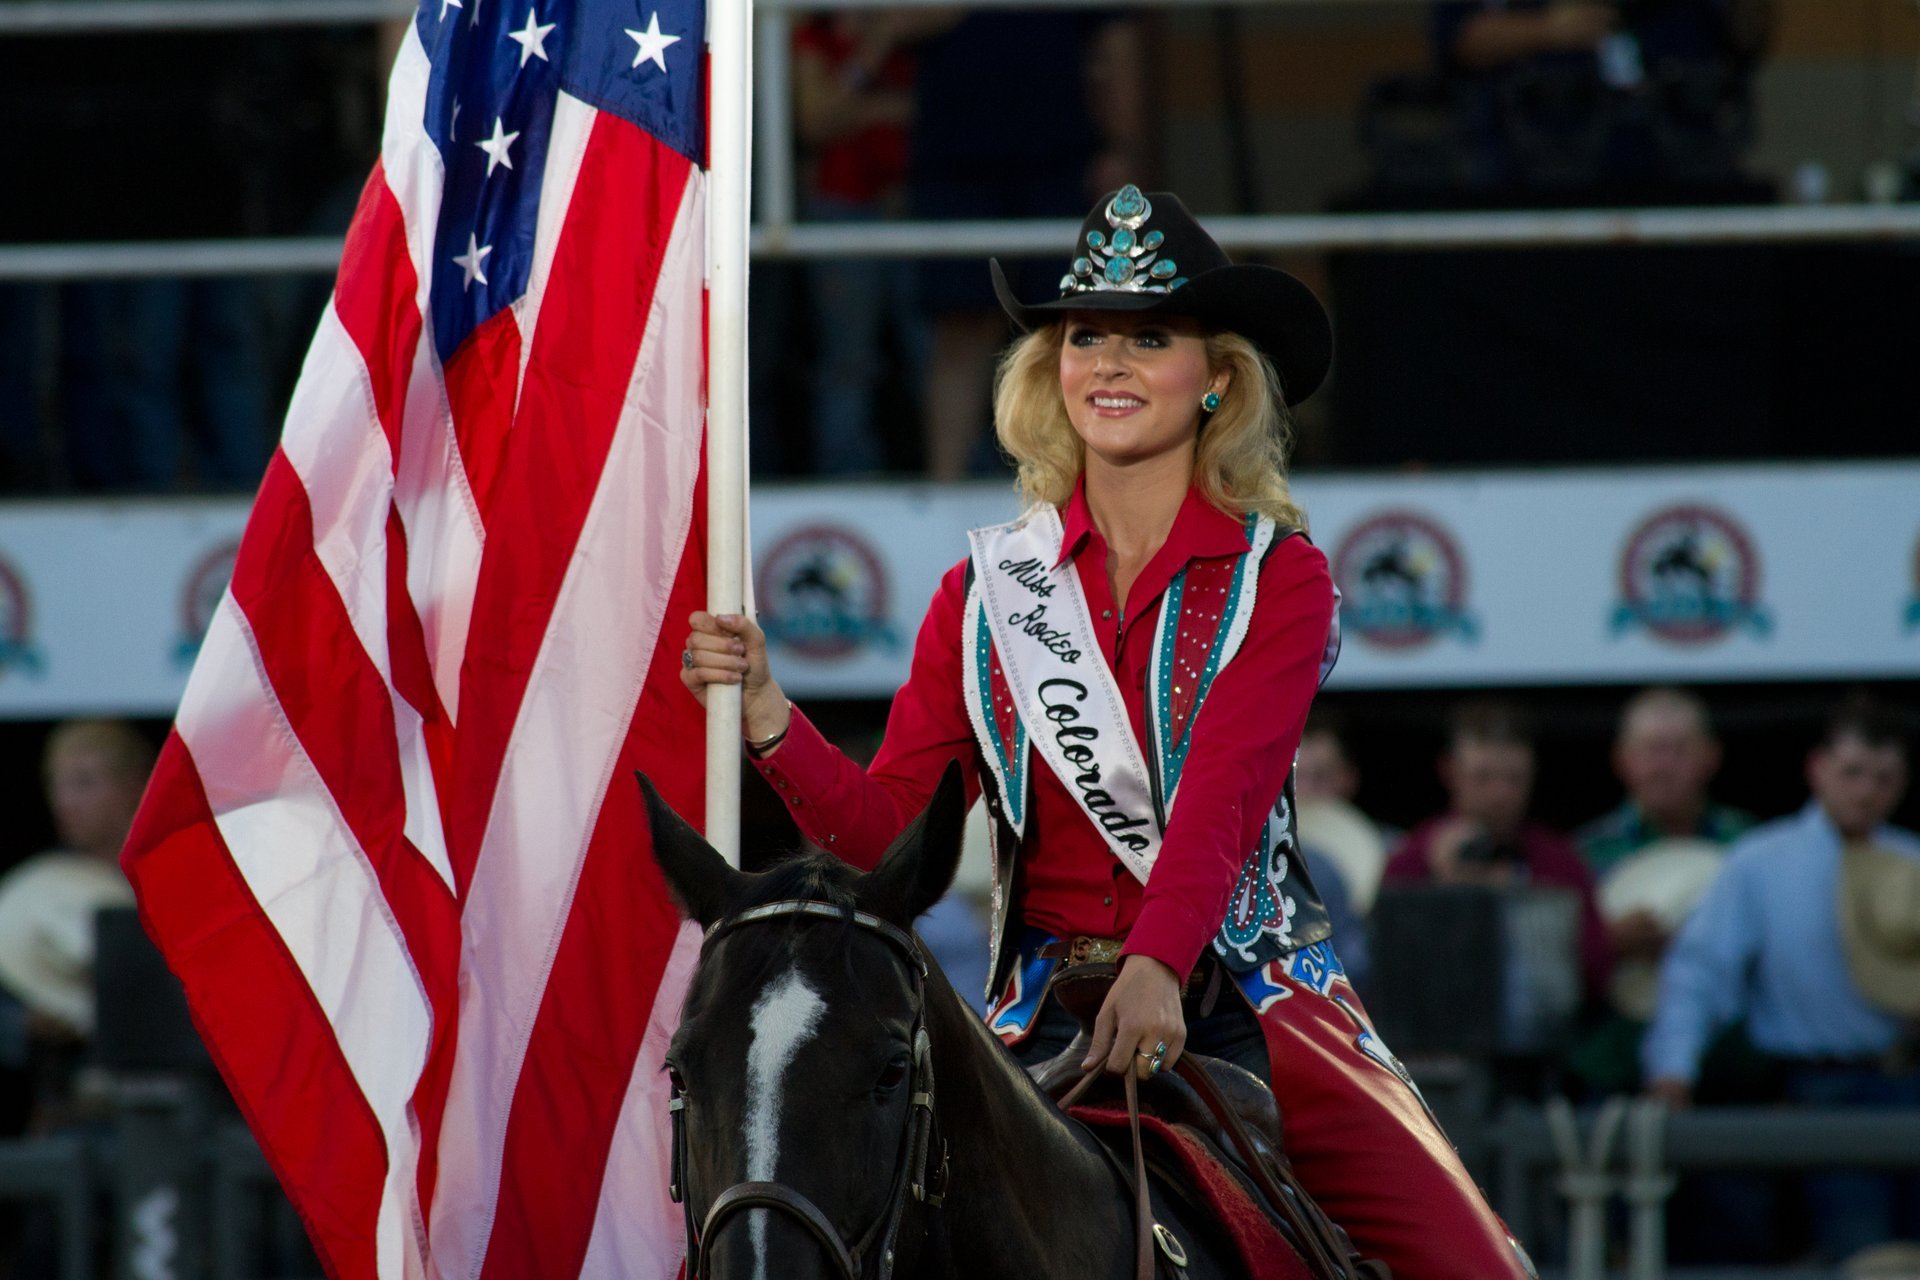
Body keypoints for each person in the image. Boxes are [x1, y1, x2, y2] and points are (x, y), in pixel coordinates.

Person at [683, 186, 1535, 1279]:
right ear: (1053, 366)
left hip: (1245, 996)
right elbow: (889, 829)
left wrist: (1157, 964)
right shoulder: (984, 594)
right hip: (1036, 1013)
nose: (1112, 363)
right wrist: (770, 718)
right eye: (1086, 335)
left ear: (1218, 375)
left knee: (1481, 1267)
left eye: (1151, 337)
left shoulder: (1281, 578)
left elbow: (1222, 799)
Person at [1644, 696, 1920, 1261]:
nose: (1866, 792)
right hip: (1815, 1088)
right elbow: (1701, 970)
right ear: (1818, 769)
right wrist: (1673, 1067)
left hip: (1908, 1081)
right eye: (1853, 773)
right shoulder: (1761, 863)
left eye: (1884, 779)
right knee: (1864, 1252)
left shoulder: (1913, 863)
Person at [1384, 699, 1610, 996]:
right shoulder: (1412, 861)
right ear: (1450, 771)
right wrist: (1438, 894)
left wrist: (1520, 896)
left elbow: (1596, 970)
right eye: (1483, 777)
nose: (1500, 794)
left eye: (1514, 779)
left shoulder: (1558, 862)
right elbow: (1384, 972)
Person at [0, 720, 154, 1133]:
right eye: (56, 784)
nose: (65, 801)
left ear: (136, 785)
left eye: (85, 783)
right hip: (80, 1121)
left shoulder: (190, 877)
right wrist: (22, 1025)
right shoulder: (34, 893)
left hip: (189, 1110)